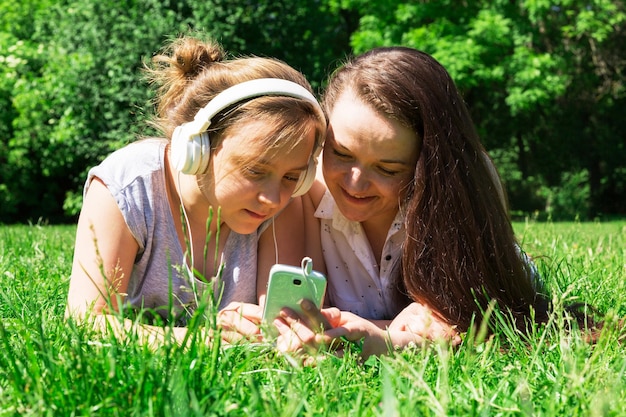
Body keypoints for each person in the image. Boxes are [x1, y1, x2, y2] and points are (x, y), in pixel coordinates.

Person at [269, 46, 565, 358]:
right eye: (341, 154)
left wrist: (391, 341)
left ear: (430, 165)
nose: (354, 183)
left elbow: (494, 321)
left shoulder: (460, 188)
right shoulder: (301, 191)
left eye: (388, 169)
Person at [65, 35, 327, 345]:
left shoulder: (286, 201)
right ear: (197, 149)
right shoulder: (128, 187)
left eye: (292, 177)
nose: (273, 199)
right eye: (254, 171)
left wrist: (273, 331)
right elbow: (86, 321)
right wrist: (206, 339)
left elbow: (278, 329)